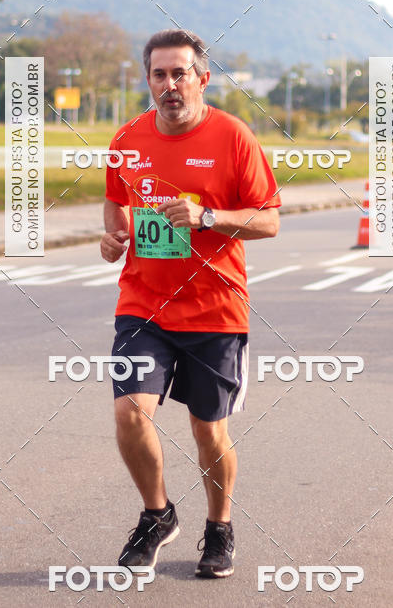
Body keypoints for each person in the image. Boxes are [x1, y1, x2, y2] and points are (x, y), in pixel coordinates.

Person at [100, 29, 281, 578]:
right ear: (148, 79)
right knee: (130, 412)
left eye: (181, 73)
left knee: (208, 430)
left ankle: (219, 527)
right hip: (144, 304)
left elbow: (269, 220)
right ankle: (157, 516)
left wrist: (208, 218)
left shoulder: (232, 137)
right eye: (159, 74)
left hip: (214, 308)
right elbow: (116, 208)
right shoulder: (126, 138)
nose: (170, 85)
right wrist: (113, 239)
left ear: (203, 78)